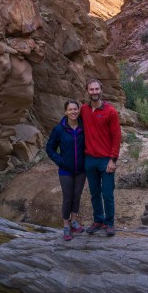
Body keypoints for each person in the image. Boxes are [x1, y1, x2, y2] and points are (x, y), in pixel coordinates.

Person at [81, 78, 122, 236]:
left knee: (107, 193)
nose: (94, 92)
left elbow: (116, 137)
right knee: (94, 193)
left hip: (106, 160)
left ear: (101, 90)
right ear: (87, 91)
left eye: (96, 89)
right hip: (89, 159)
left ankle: (109, 222)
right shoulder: (84, 110)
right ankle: (98, 220)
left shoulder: (110, 111)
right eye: (91, 90)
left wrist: (113, 159)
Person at [46, 100, 86, 241]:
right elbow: (49, 149)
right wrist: (61, 161)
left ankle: (74, 222)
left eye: (75, 109)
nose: (73, 112)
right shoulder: (59, 129)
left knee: (77, 196)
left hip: (81, 169)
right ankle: (66, 226)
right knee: (67, 198)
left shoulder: (83, 127)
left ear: (78, 110)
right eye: (70, 109)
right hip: (65, 171)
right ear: (65, 112)